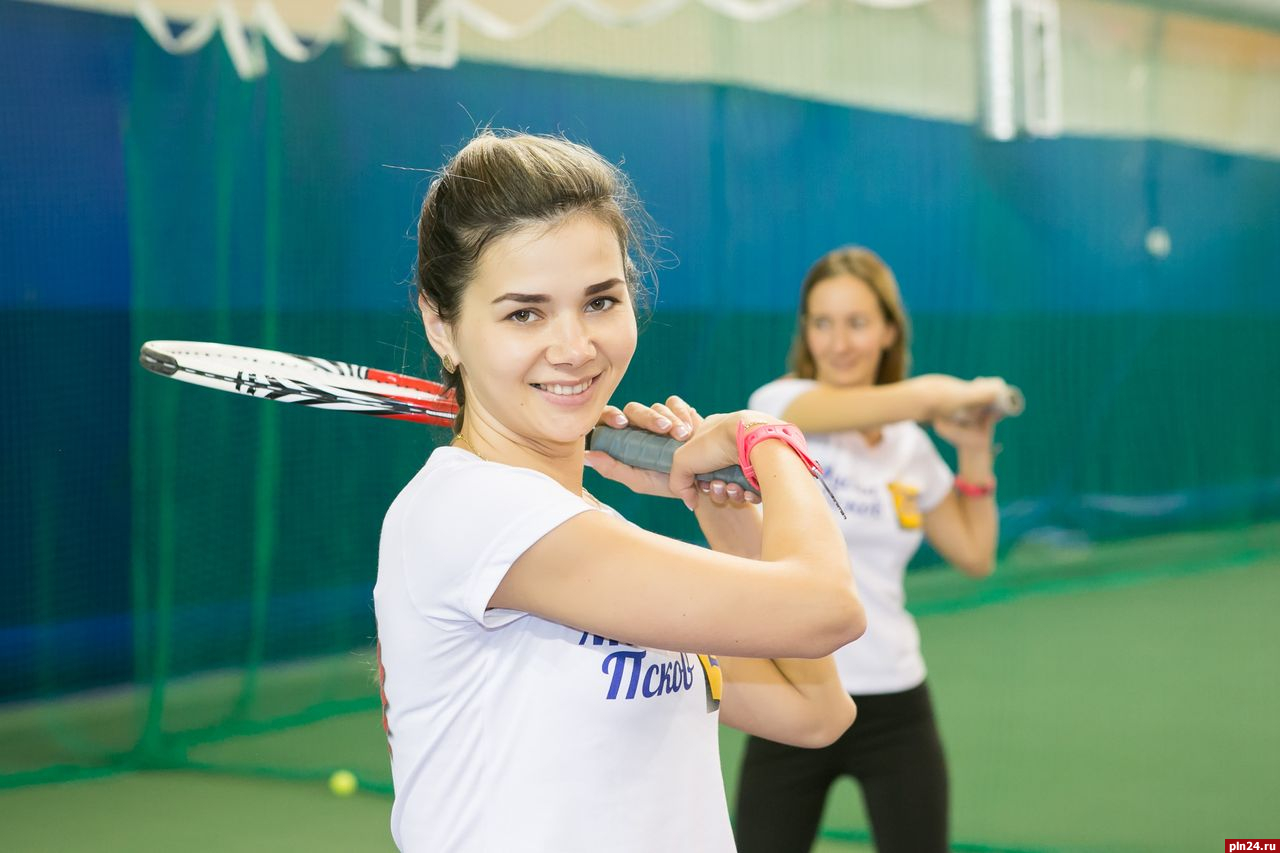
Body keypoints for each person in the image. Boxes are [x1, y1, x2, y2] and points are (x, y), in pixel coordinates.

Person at [372, 132, 867, 853]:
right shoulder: (475, 515)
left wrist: (717, 500)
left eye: (600, 301)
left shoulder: (581, 531)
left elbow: (815, 707)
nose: (574, 347)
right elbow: (827, 608)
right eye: (524, 313)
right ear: (440, 325)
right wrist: (768, 441)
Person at [733, 246, 1014, 853]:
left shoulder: (910, 446)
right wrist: (942, 392)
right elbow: (906, 400)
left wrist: (971, 448)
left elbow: (975, 553)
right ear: (806, 331)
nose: (839, 342)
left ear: (888, 329)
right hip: (793, 692)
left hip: (895, 703)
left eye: (857, 323)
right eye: (822, 322)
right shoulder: (778, 410)